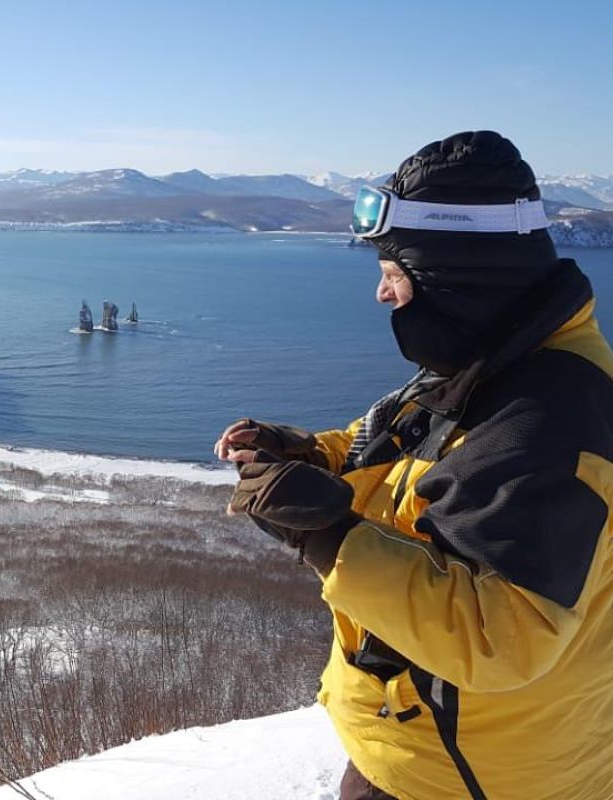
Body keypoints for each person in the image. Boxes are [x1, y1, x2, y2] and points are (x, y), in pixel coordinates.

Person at [215, 131, 613, 800]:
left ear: (456, 279)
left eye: (394, 274)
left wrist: (325, 533)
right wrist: (314, 455)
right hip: (426, 747)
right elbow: (405, 446)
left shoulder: (552, 422)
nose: (382, 295)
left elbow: (501, 632)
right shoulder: (498, 365)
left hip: (476, 778)